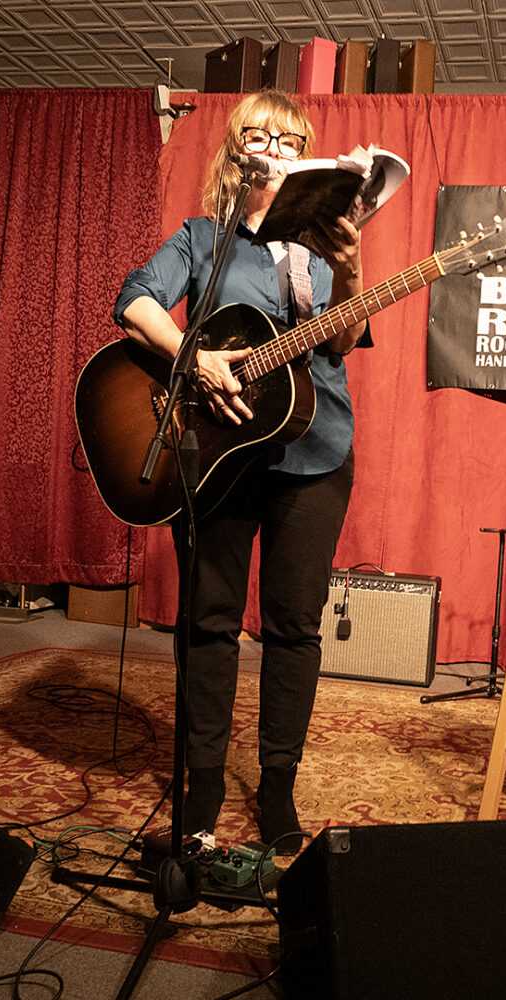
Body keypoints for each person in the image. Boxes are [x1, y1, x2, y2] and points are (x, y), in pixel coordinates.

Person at [112, 90, 369, 853]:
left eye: (289, 140)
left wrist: (352, 270)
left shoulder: (324, 246)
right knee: (209, 620)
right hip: (218, 454)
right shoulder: (205, 238)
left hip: (315, 453)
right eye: (257, 135)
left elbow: (341, 341)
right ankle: (205, 784)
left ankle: (278, 784)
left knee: (294, 626)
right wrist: (193, 356)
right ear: (236, 152)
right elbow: (136, 303)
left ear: (306, 160)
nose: (272, 149)